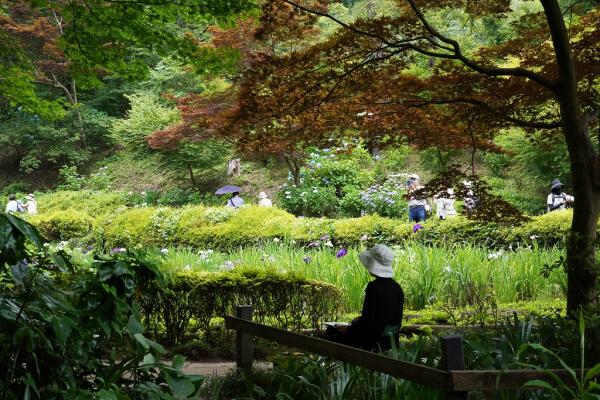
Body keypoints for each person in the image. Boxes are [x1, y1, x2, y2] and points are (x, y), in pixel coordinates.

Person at [326, 244, 404, 351]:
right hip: (391, 341)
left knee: (332, 331)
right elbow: (393, 319)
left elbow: (368, 321)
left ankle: (343, 366)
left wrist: (349, 329)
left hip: (373, 341)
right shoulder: (397, 287)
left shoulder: (374, 287)